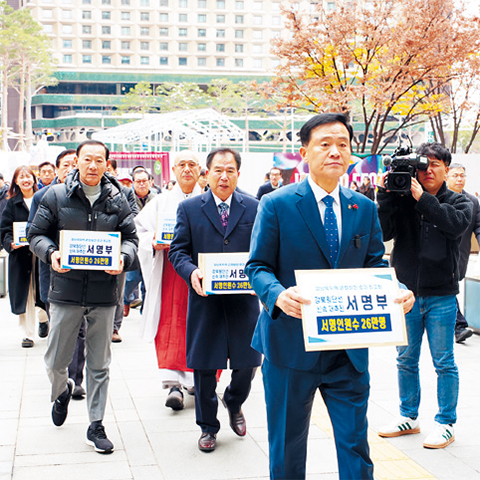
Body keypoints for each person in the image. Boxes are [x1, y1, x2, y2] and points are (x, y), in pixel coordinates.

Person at [245, 113, 414, 480]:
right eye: (325, 144)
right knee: (287, 446)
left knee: (355, 445)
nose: (335, 151)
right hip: (290, 347)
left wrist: (396, 290)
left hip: (348, 348)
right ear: (305, 152)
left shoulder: (364, 208)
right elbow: (256, 267)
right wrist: (277, 295)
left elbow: (373, 265)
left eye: (343, 144)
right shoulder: (277, 204)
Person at [27, 140, 138, 454]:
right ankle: (61, 392)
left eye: (99, 160)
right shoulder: (56, 195)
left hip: (105, 294)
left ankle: (96, 424)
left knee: (99, 364)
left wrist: (124, 258)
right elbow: (35, 234)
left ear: (106, 163)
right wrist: (51, 253)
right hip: (65, 292)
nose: (93, 166)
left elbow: (130, 238)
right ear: (76, 161)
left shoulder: (117, 199)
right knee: (55, 361)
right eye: (87, 159)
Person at [377, 142, 472, 449]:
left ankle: (446, 422)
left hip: (442, 296)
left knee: (444, 362)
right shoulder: (403, 198)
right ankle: (409, 416)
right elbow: (383, 233)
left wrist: (423, 199)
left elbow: (454, 225)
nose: (427, 170)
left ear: (447, 168)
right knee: (405, 359)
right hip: (404, 294)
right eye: (423, 165)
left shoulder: (461, 202)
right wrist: (386, 196)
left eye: (435, 165)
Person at [169, 147, 261, 453]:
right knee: (205, 368)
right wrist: (191, 272)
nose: (224, 176)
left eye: (230, 170)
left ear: (238, 173)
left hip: (243, 300)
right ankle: (208, 427)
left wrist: (260, 277)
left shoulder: (254, 206)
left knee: (248, 363)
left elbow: (265, 249)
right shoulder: (191, 208)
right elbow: (178, 251)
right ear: (206, 173)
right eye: (218, 170)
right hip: (205, 299)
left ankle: (234, 402)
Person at [135, 150, 202, 410]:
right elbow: (140, 230)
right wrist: (152, 240)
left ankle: (197, 378)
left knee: (200, 325)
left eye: (192, 165)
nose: (187, 169)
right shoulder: (160, 203)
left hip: (201, 272)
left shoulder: (209, 200)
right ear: (173, 170)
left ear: (200, 170)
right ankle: (173, 384)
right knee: (170, 324)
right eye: (182, 165)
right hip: (170, 273)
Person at [0, 166, 48, 348]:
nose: (25, 179)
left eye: (28, 176)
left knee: (41, 291)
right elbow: (4, 229)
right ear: (16, 182)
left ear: (34, 180)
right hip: (20, 256)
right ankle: (28, 334)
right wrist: (11, 243)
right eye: (21, 177)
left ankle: (43, 319)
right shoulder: (11, 203)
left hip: (41, 254)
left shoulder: (43, 199)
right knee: (25, 293)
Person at [106, 158, 139, 343]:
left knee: (118, 289)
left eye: (109, 169)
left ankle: (114, 327)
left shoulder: (126, 192)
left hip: (117, 247)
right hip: (95, 249)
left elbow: (134, 215)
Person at [445, 163, 479, 343]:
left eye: (462, 175)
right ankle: (459, 326)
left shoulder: (473, 202)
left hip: (461, 256)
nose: (460, 179)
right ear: (446, 177)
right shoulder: (438, 199)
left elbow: (478, 226)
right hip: (440, 256)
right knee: (449, 289)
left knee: (449, 289)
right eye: (455, 175)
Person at [123, 167, 157, 317]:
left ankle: (146, 312)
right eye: (138, 181)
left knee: (147, 278)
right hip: (133, 243)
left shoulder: (157, 198)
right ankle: (125, 299)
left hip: (151, 244)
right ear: (133, 183)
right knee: (132, 278)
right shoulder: (127, 197)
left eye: (145, 181)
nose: (142, 184)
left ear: (150, 182)